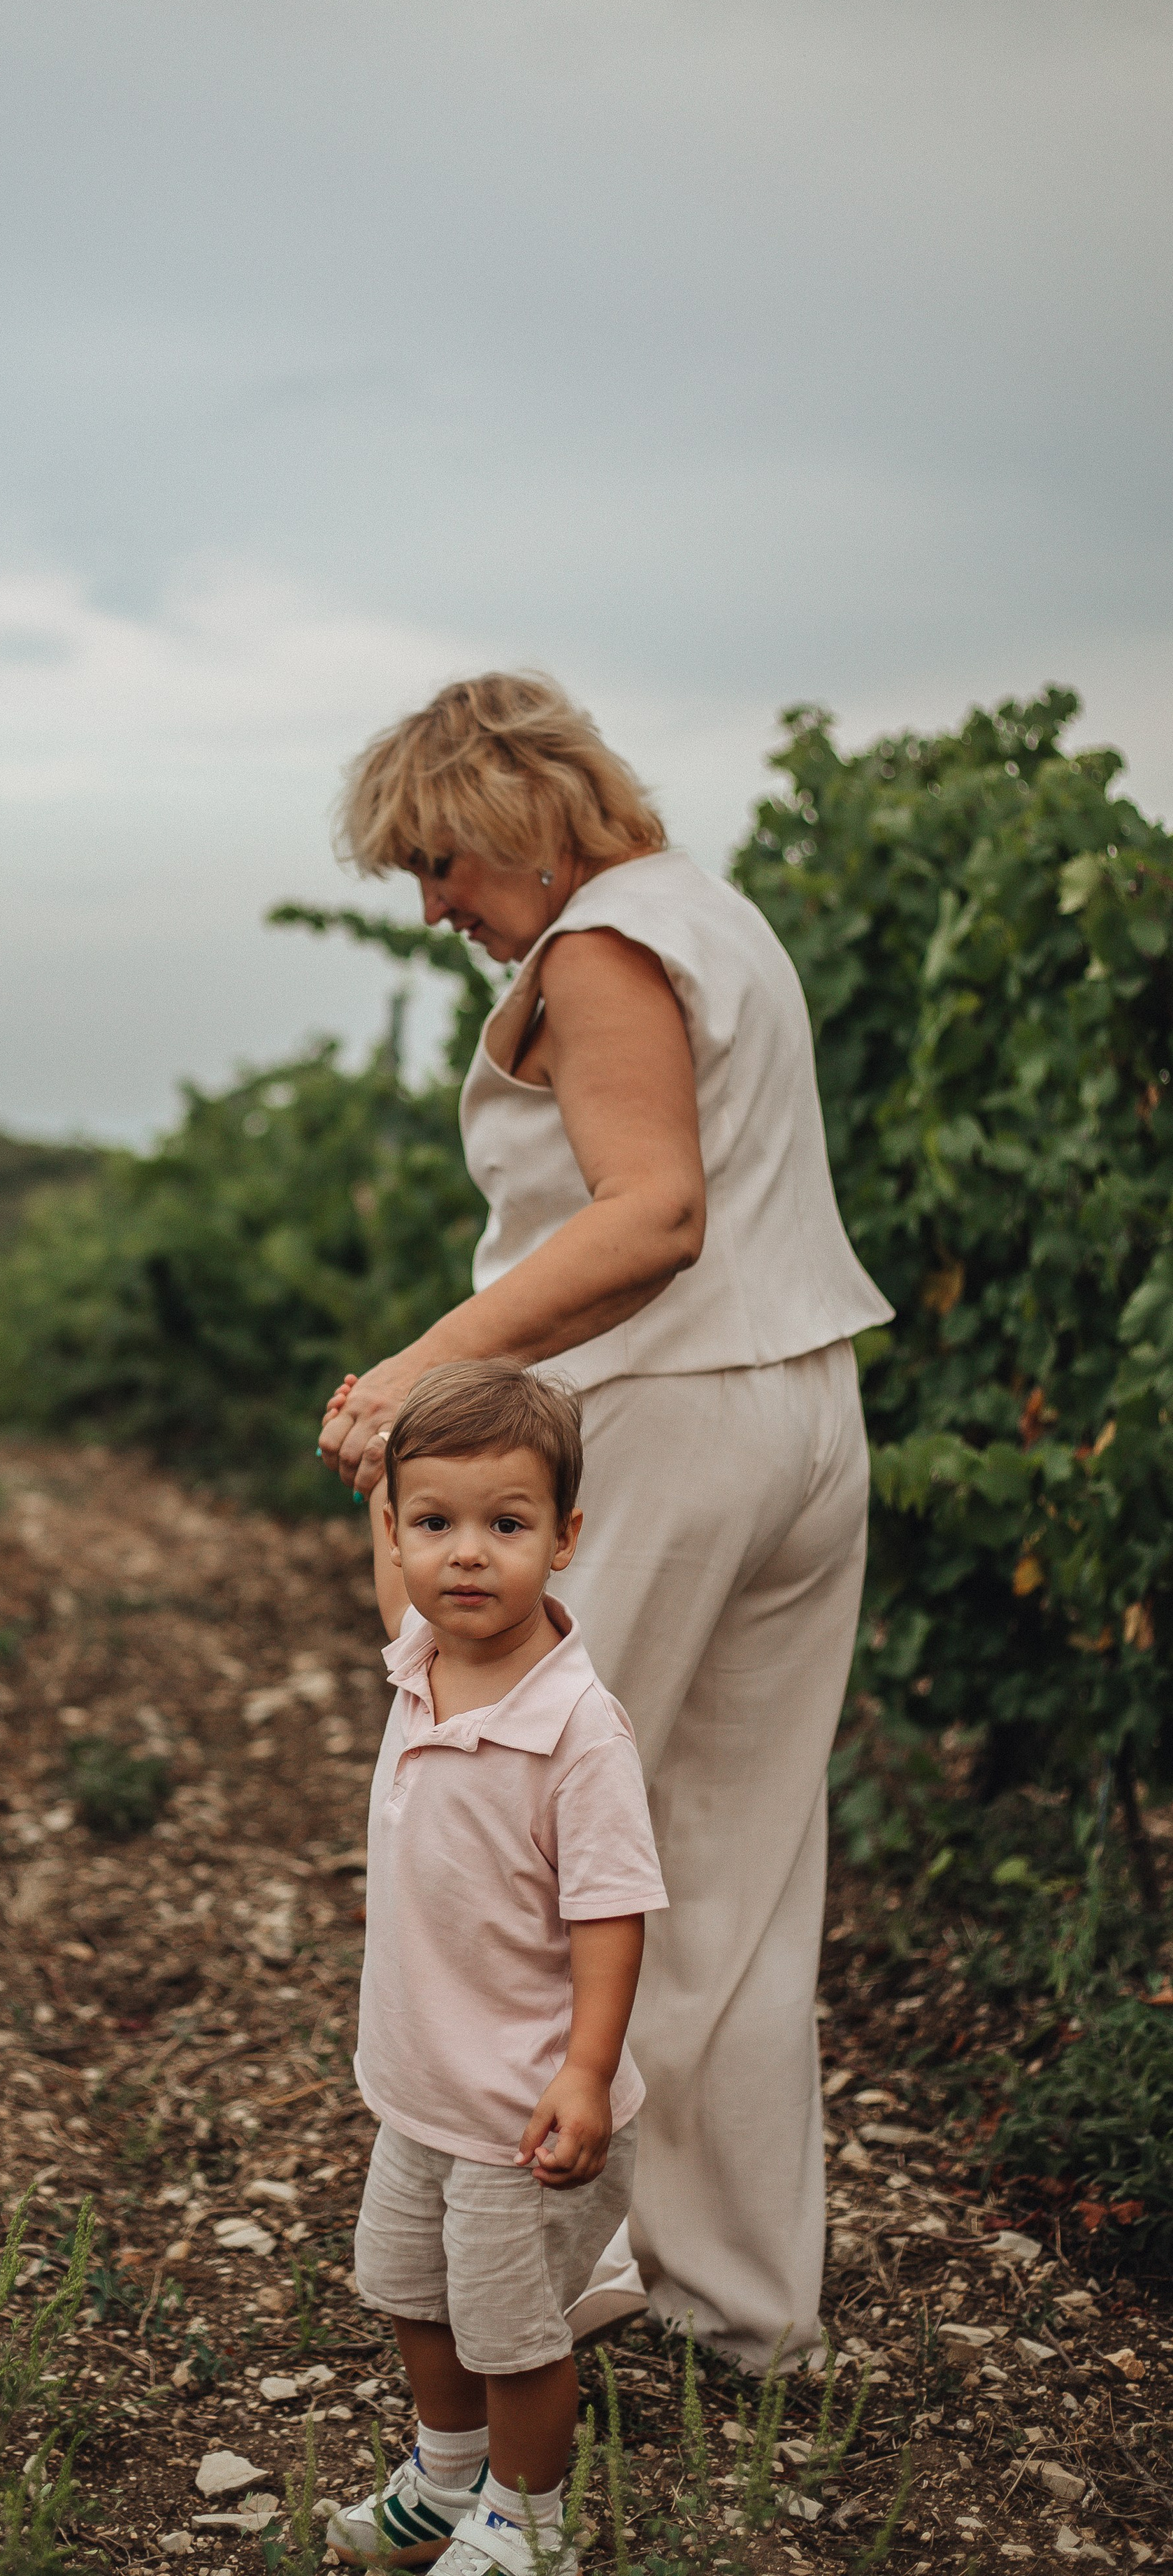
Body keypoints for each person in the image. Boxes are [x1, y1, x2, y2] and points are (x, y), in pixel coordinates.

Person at [316, 671, 892, 2373]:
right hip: (802, 1414)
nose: (435, 909)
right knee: (726, 1865)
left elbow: (653, 1218)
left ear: (515, 819)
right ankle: (739, 2306)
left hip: (658, 1413)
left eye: (441, 862)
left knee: (523, 1859)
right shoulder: (711, 913)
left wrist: (421, 1368)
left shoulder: (595, 942)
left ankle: (524, 2308)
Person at [326, 1360, 666, 2576]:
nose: (466, 1556)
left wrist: (588, 2071)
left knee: (514, 2334)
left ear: (565, 1537)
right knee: (413, 2296)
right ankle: (447, 2478)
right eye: (436, 1525)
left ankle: (529, 2525)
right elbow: (394, 1561)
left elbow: (613, 1916)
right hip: (422, 2087)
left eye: (506, 1526)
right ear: (400, 1532)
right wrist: (374, 1452)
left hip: (525, 2107)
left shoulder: (578, 1732)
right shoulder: (420, 1660)